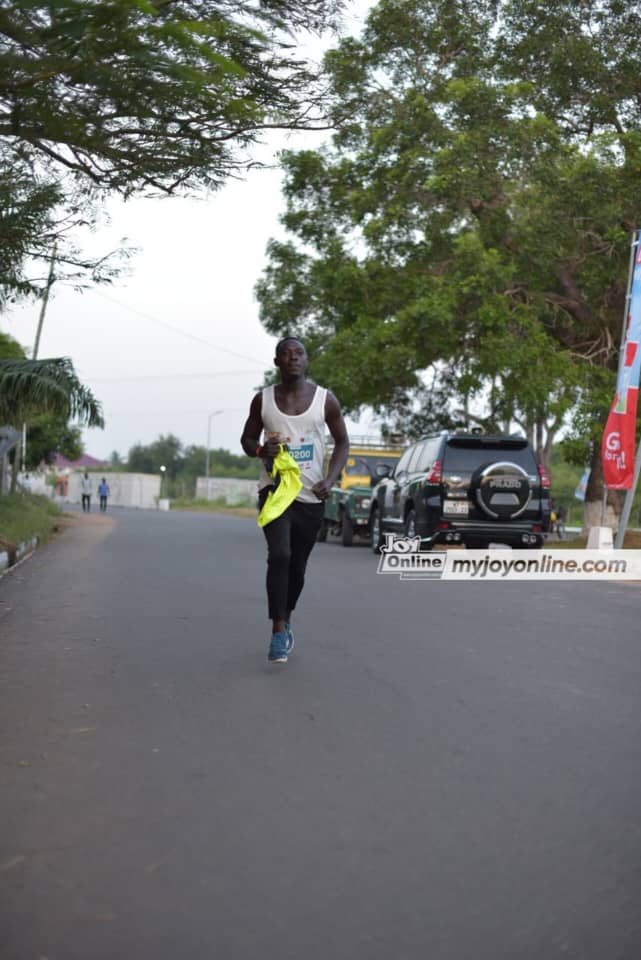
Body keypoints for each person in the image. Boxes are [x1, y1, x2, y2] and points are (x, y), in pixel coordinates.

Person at [241, 336, 349, 664]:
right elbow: (247, 440)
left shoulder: (325, 400)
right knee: (280, 555)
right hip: (274, 492)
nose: (293, 358)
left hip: (311, 496)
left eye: (298, 353)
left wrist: (330, 480)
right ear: (276, 362)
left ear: (306, 360)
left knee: (298, 566)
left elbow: (343, 443)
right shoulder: (263, 400)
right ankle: (276, 631)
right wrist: (261, 450)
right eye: (286, 354)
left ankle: (286, 618)